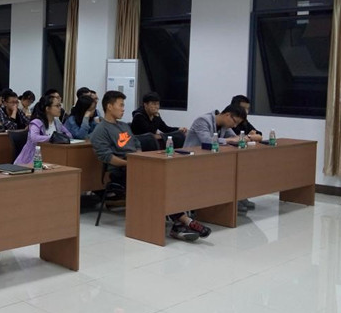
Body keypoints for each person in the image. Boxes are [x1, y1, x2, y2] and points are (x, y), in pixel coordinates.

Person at [91, 90, 208, 241]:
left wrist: (140, 158)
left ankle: (180, 224)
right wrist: (132, 162)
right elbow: (106, 156)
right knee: (158, 184)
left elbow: (137, 144)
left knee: (170, 179)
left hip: (138, 165)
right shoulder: (100, 130)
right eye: (121, 105)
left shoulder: (124, 126)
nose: (123, 109)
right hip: (122, 170)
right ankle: (184, 221)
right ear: (109, 106)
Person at [13, 94, 71, 165]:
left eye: (60, 106)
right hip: (31, 160)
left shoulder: (57, 122)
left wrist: (62, 137)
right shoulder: (37, 122)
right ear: (47, 108)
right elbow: (34, 137)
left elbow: (69, 135)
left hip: (50, 155)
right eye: (57, 106)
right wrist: (52, 138)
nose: (60, 108)